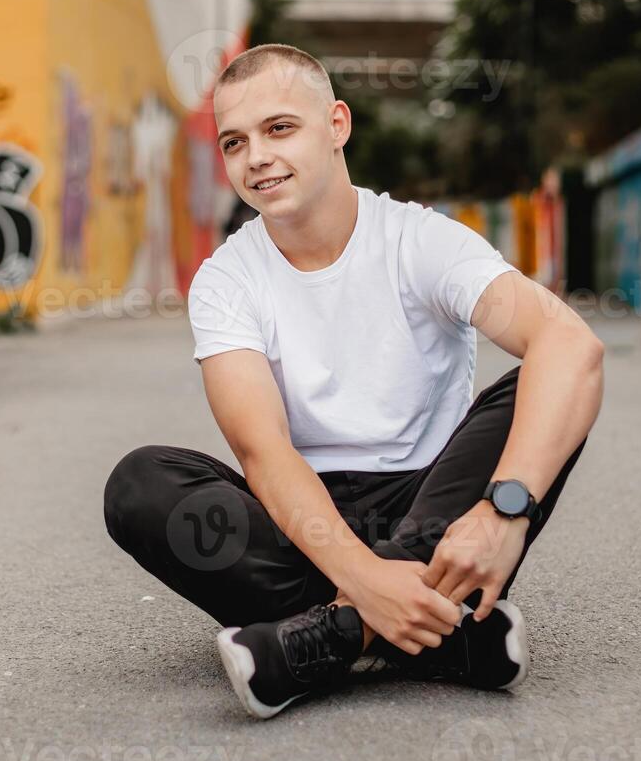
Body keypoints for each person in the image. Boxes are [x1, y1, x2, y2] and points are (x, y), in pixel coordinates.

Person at [104, 44, 603, 719]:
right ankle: (438, 634)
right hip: (306, 522)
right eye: (234, 141)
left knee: (543, 386)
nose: (256, 157)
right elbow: (264, 451)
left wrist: (501, 513)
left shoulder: (421, 240)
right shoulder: (228, 279)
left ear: (336, 124)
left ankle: (329, 638)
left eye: (279, 128)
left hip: (436, 505)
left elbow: (571, 343)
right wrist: (365, 576)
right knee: (143, 483)